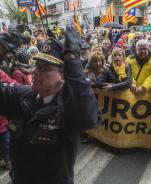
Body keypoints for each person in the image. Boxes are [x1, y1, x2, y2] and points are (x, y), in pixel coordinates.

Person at [0, 28, 101, 184]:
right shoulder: (23, 96)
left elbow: (88, 116)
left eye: (44, 69)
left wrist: (73, 60)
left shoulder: (68, 109)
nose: (35, 72)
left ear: (62, 76)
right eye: (36, 66)